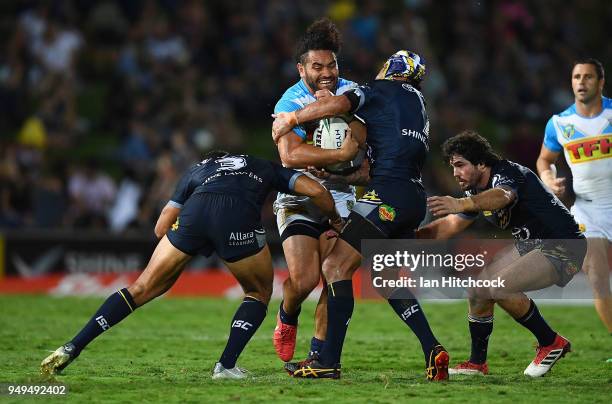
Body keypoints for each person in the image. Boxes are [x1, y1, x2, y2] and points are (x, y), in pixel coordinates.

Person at [40, 151, 343, 379]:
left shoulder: (195, 171)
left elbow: (160, 228)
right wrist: (335, 219)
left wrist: (186, 239)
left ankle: (73, 346)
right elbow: (317, 191)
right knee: (258, 292)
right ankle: (225, 365)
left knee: (142, 288)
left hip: (194, 215)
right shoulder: (264, 166)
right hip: (236, 217)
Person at [273, 50, 449, 380]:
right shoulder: (417, 106)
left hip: (387, 196)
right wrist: (337, 176)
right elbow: (371, 167)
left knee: (334, 266)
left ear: (391, 69)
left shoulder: (379, 90)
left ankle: (327, 362)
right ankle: (432, 349)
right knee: (387, 280)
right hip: (412, 197)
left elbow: (341, 104)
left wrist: (293, 119)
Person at [418, 131, 587, 377]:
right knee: (478, 290)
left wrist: (462, 203)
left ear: (481, 163)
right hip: (532, 245)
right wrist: (413, 238)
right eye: (452, 166)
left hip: (564, 245)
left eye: (460, 165)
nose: (455, 173)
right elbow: (450, 225)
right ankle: (477, 364)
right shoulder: (475, 191)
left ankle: (550, 341)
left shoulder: (507, 173)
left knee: (496, 287)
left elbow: (502, 197)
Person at [271, 18, 367, 364]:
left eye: (331, 64)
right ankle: (287, 313)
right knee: (304, 279)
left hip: (340, 195)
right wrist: (339, 155)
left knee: (332, 275)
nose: (326, 72)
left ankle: (317, 355)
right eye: (317, 66)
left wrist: (333, 112)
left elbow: (362, 138)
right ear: (301, 69)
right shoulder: (289, 100)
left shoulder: (351, 91)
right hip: (298, 196)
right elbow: (290, 155)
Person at [536, 58, 611, 334]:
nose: (581, 82)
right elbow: (544, 160)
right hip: (588, 210)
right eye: (577, 77)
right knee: (597, 276)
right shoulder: (559, 123)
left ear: (601, 82)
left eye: (588, 77)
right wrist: (548, 180)